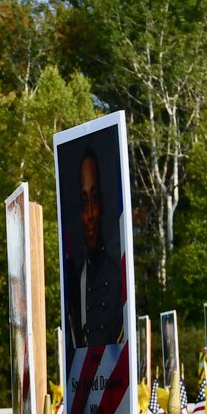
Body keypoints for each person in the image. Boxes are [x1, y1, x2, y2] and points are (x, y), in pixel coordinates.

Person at [67, 149, 125, 348]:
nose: (90, 214)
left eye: (94, 199)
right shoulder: (77, 282)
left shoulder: (117, 278)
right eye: (84, 202)